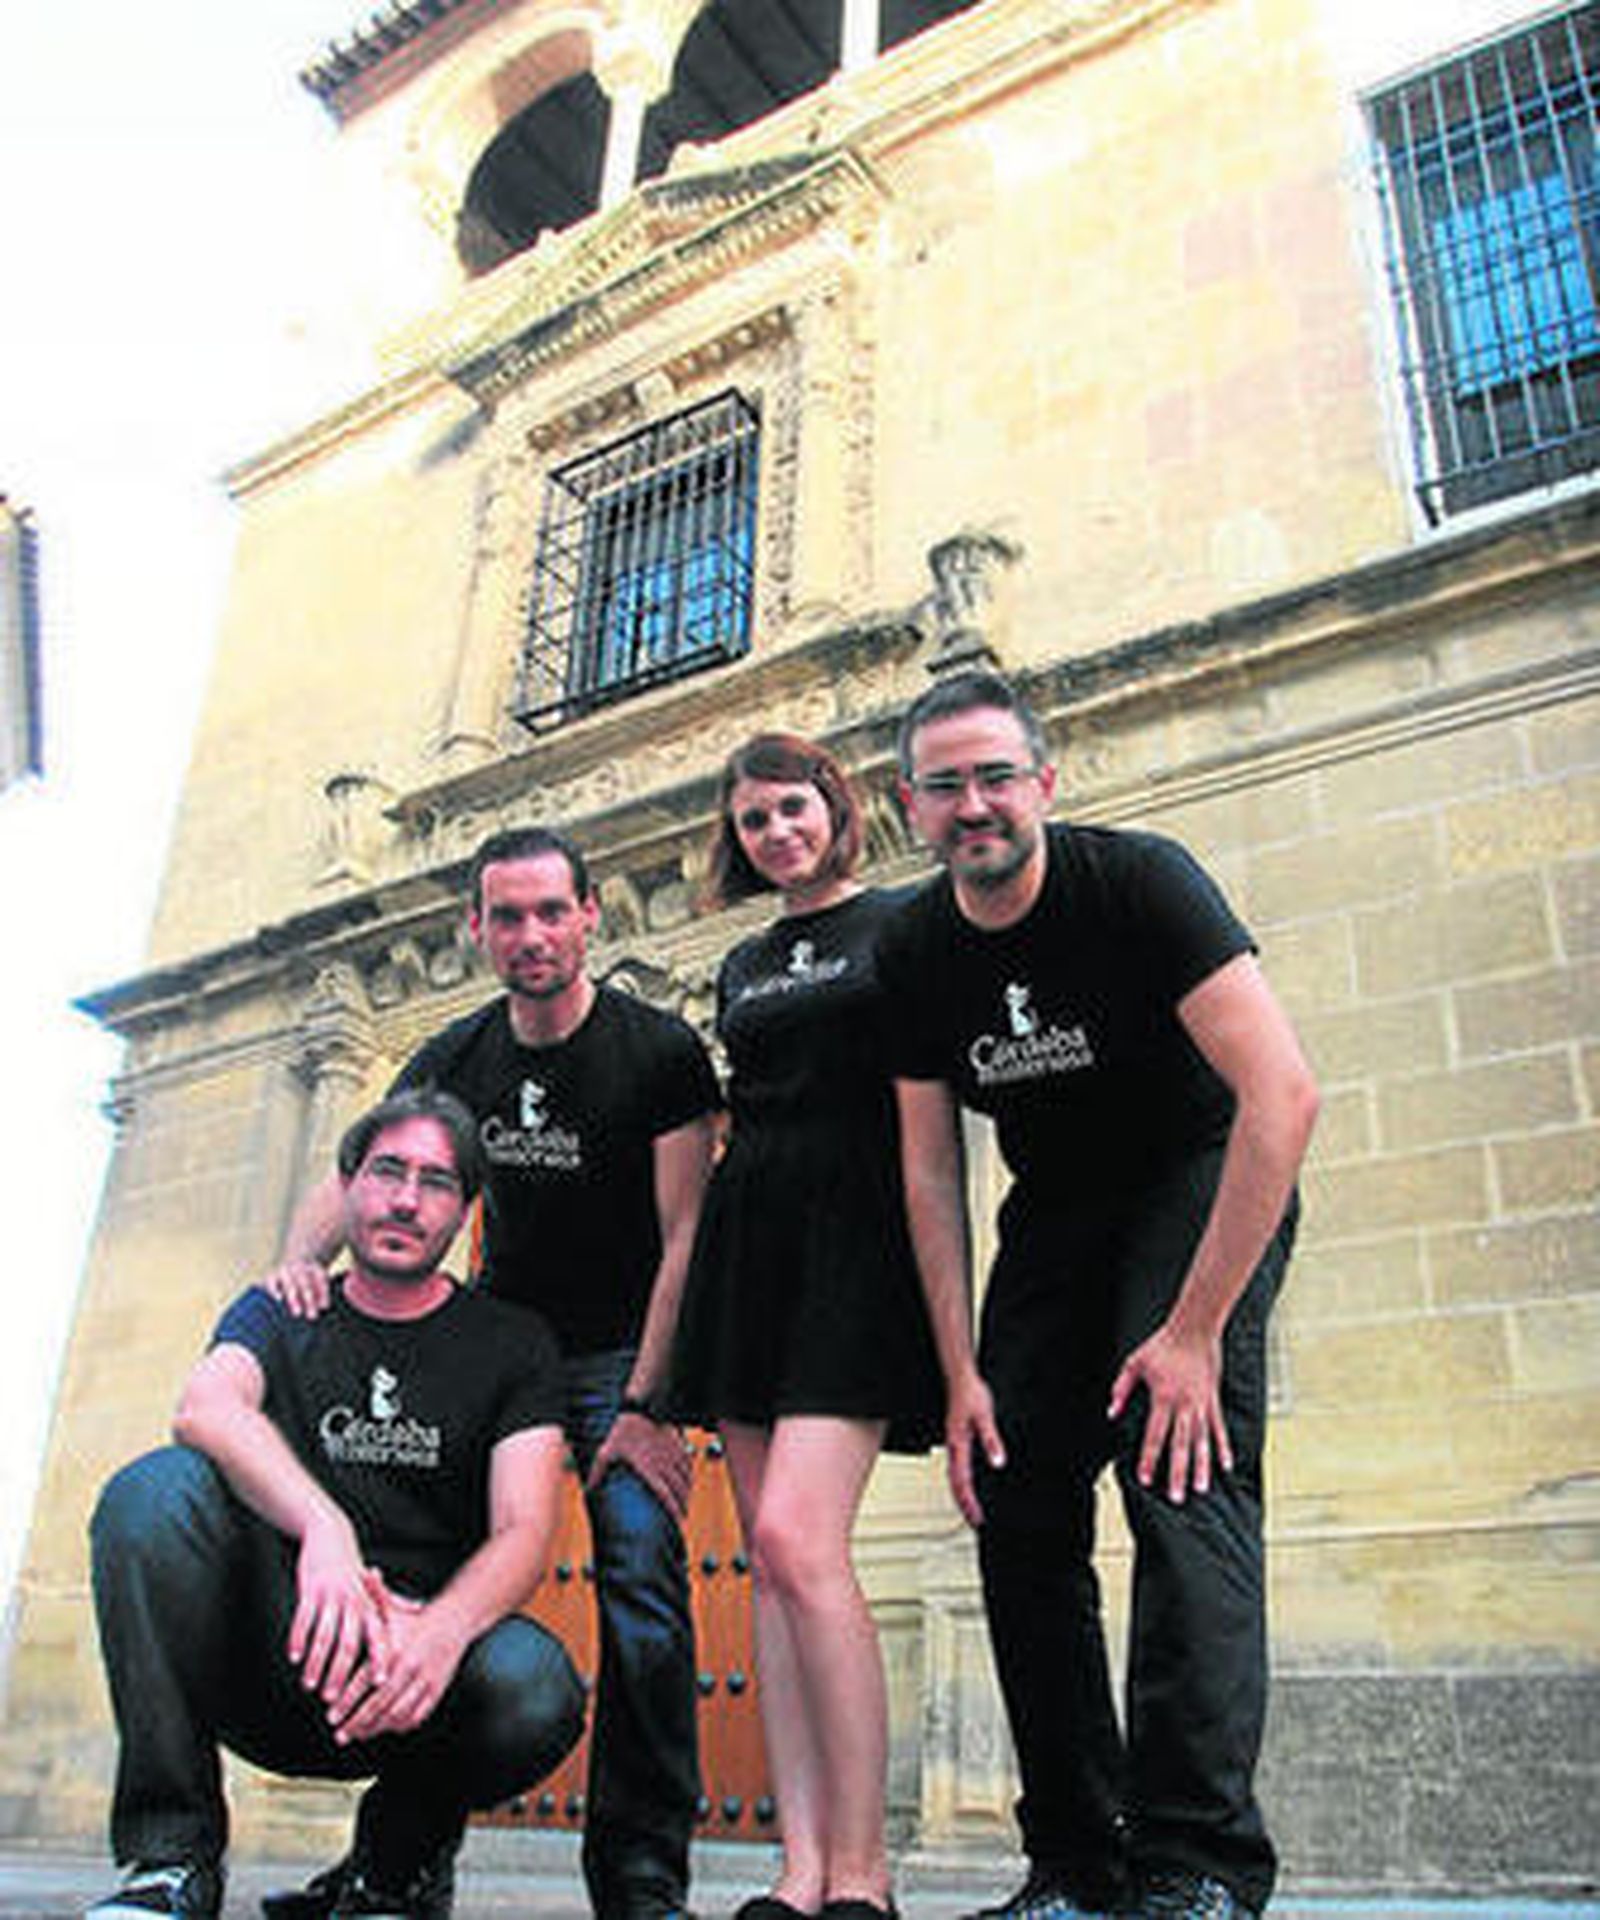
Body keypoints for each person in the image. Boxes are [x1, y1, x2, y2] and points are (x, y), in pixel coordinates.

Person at [879, 671, 1320, 1920]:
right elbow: (928, 1171)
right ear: (910, 806)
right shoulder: (913, 949)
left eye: (995, 776)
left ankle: (1196, 1865)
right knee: (1015, 1504)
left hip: (1196, 1178)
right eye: (945, 785)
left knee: (1180, 1479)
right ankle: (1077, 1860)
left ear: (1044, 782)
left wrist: (1194, 1331)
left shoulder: (1138, 883)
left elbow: (1280, 1096)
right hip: (1058, 1211)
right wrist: (960, 1374)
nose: (973, 804)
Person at [266, 827, 720, 1920]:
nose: (531, 935)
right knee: (438, 1589)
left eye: (551, 911)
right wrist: (291, 1269)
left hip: (622, 1353)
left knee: (644, 1586)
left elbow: (686, 1237)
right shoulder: (456, 1055)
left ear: (588, 915)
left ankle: (641, 1878)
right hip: (500, 1350)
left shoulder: (657, 1051)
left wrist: (650, 1403)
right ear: (476, 929)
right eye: (506, 916)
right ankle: (401, 1863)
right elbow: (368, 1164)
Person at [84, 1088, 586, 1920]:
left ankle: (391, 1873)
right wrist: (326, 1528)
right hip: (269, 1655)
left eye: (435, 1182)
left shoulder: (512, 1343)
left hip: (410, 1677)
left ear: (465, 1209)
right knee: (152, 1496)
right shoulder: (281, 1310)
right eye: (387, 1171)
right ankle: (170, 1862)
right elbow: (205, 1407)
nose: (406, 1199)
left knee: (533, 1684)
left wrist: (441, 1630)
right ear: (348, 1185)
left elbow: (524, 1529)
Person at [668, 733, 943, 1920]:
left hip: (854, 1250)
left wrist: (950, 1324)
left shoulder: (901, 926)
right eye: (754, 821)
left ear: (834, 805)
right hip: (749, 1252)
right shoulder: (741, 962)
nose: (776, 832)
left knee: (799, 1540)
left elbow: (926, 1134)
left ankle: (865, 1873)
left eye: (792, 808)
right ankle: (798, 1866)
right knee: (768, 1576)